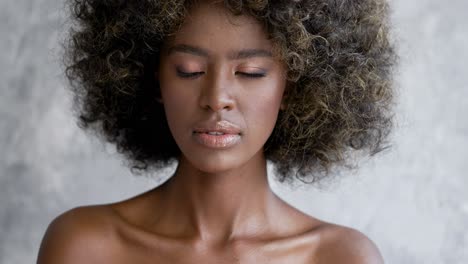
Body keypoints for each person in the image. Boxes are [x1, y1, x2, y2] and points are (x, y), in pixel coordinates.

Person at [37, 0, 395, 263]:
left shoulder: (339, 257)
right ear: (152, 78)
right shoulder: (85, 247)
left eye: (251, 72)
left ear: (293, 87)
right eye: (189, 70)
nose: (216, 98)